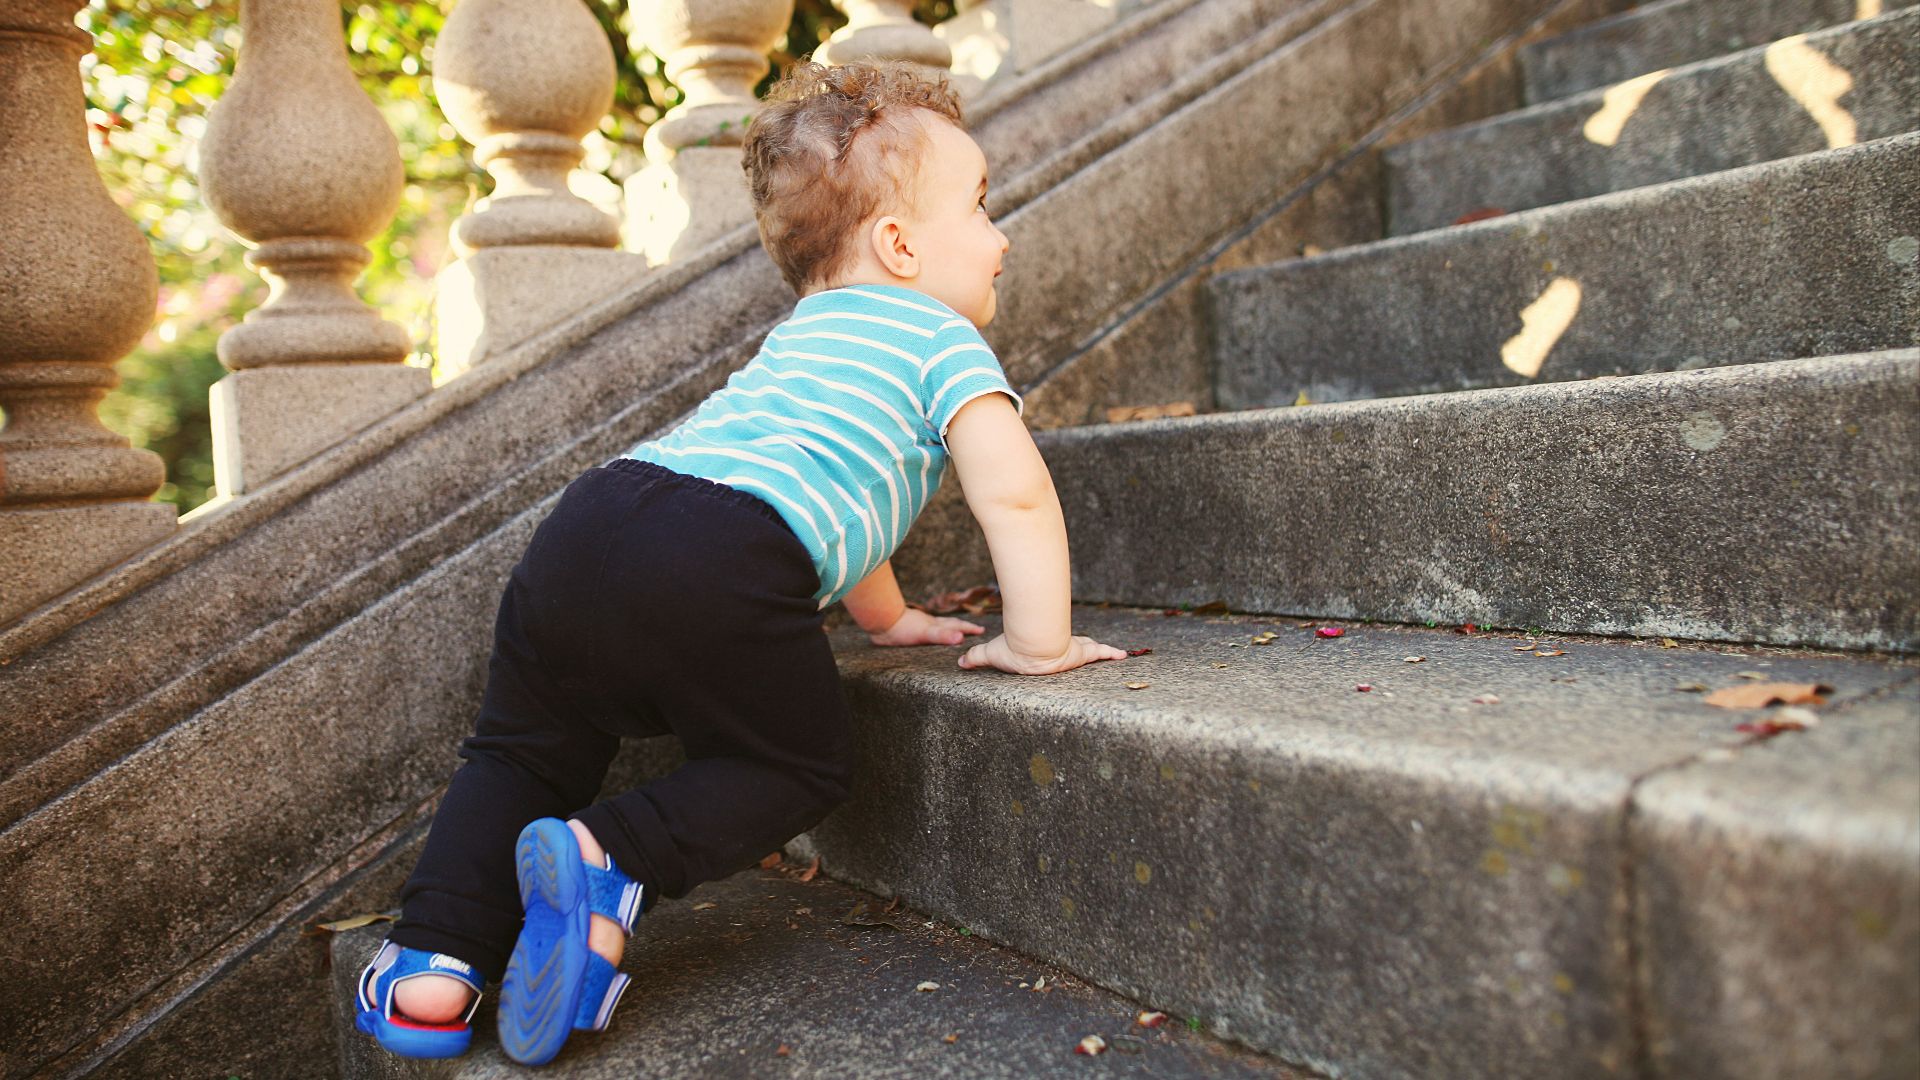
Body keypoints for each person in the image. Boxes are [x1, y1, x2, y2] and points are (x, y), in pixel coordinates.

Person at [352, 59, 1129, 1066]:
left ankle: (431, 967)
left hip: (593, 521)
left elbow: (833, 498)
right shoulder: (942, 341)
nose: (1002, 233)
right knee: (794, 761)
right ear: (899, 245)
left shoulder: (804, 339)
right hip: (718, 556)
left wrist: (886, 619)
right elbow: (1014, 492)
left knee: (520, 753)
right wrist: (1041, 641)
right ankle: (607, 856)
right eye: (981, 208)